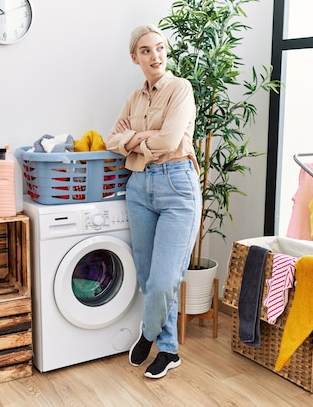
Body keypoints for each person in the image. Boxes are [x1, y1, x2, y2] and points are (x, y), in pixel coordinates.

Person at [106, 24, 201, 379]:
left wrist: (136, 140)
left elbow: (171, 139)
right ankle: (169, 351)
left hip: (177, 186)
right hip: (139, 187)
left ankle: (147, 335)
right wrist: (144, 137)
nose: (155, 56)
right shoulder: (134, 98)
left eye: (160, 48)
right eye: (146, 50)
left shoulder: (180, 88)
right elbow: (111, 138)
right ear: (135, 58)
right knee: (148, 276)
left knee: (165, 279)